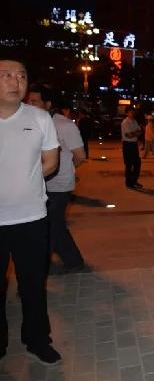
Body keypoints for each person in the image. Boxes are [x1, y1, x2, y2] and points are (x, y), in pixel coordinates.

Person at [0, 59, 61, 365]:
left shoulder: (39, 118)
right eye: (6, 75)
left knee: (33, 284)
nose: (16, 81)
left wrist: (25, 180)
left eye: (21, 76)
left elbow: (51, 162)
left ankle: (37, 339)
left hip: (32, 218)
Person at [26, 86, 87, 273]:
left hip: (59, 186)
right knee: (55, 224)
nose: (30, 105)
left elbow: (80, 155)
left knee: (50, 226)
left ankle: (39, 269)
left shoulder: (64, 125)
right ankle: (73, 260)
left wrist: (66, 168)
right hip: (39, 183)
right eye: (28, 101)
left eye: (35, 101)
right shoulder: (30, 123)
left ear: (48, 104)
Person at [121, 108, 142, 189]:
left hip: (134, 144)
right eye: (130, 112)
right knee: (129, 164)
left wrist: (134, 133)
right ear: (127, 113)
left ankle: (134, 180)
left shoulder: (135, 121)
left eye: (133, 112)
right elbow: (128, 135)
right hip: (127, 144)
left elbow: (140, 132)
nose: (132, 114)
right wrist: (136, 133)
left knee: (137, 163)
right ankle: (129, 183)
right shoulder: (125, 122)